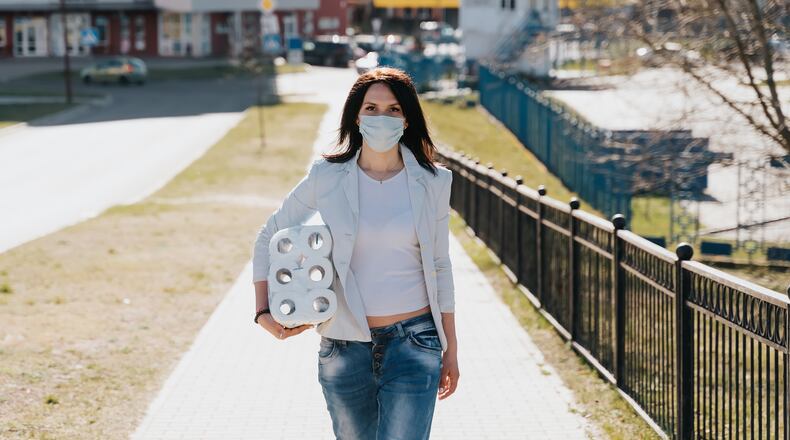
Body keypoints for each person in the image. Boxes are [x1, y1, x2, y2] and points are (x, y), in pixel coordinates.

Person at [251, 67, 459, 439]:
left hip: (414, 342)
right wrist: (262, 310)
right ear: (356, 117)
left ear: (407, 118)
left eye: (394, 109)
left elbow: (441, 264)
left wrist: (451, 348)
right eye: (372, 108)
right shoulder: (327, 176)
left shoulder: (434, 181)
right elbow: (269, 234)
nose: (382, 117)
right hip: (343, 345)